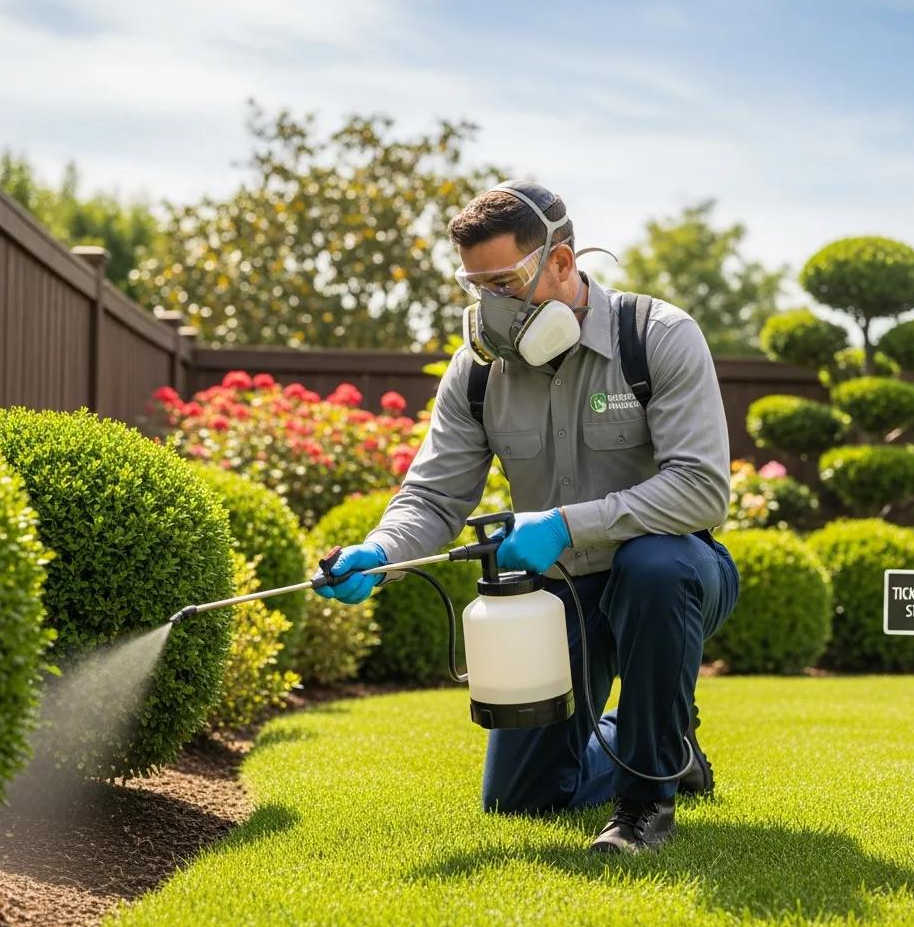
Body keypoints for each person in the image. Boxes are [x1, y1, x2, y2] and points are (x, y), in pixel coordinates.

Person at [316, 180, 740, 853]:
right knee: (522, 799)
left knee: (651, 565)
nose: (492, 306)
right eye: (477, 287)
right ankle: (660, 740)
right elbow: (433, 497)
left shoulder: (657, 337)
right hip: (560, 594)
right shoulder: (478, 374)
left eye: (507, 283)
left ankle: (645, 804)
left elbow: (700, 490)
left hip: (674, 577)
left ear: (562, 263)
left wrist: (568, 524)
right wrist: (381, 553)